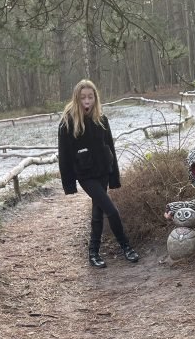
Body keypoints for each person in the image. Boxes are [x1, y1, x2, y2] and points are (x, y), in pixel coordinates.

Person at [58, 79, 139, 268]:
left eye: (90, 97)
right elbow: (64, 155)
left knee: (97, 212)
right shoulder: (67, 122)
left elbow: (110, 147)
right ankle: (126, 246)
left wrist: (114, 177)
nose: (87, 101)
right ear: (77, 98)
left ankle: (93, 253)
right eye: (83, 97)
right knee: (111, 210)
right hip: (86, 175)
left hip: (104, 171)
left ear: (95, 98)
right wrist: (69, 185)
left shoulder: (101, 119)